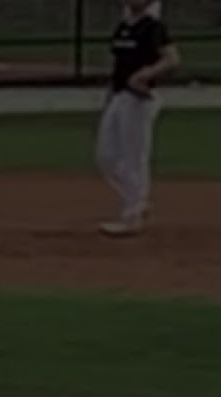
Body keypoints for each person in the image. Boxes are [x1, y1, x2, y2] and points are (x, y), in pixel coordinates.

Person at [96, 0, 180, 237]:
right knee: (106, 156)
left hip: (139, 98)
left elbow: (172, 59)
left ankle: (132, 213)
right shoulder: (124, 26)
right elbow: (119, 63)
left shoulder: (152, 27)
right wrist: (111, 94)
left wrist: (145, 75)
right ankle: (136, 201)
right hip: (119, 95)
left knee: (133, 155)